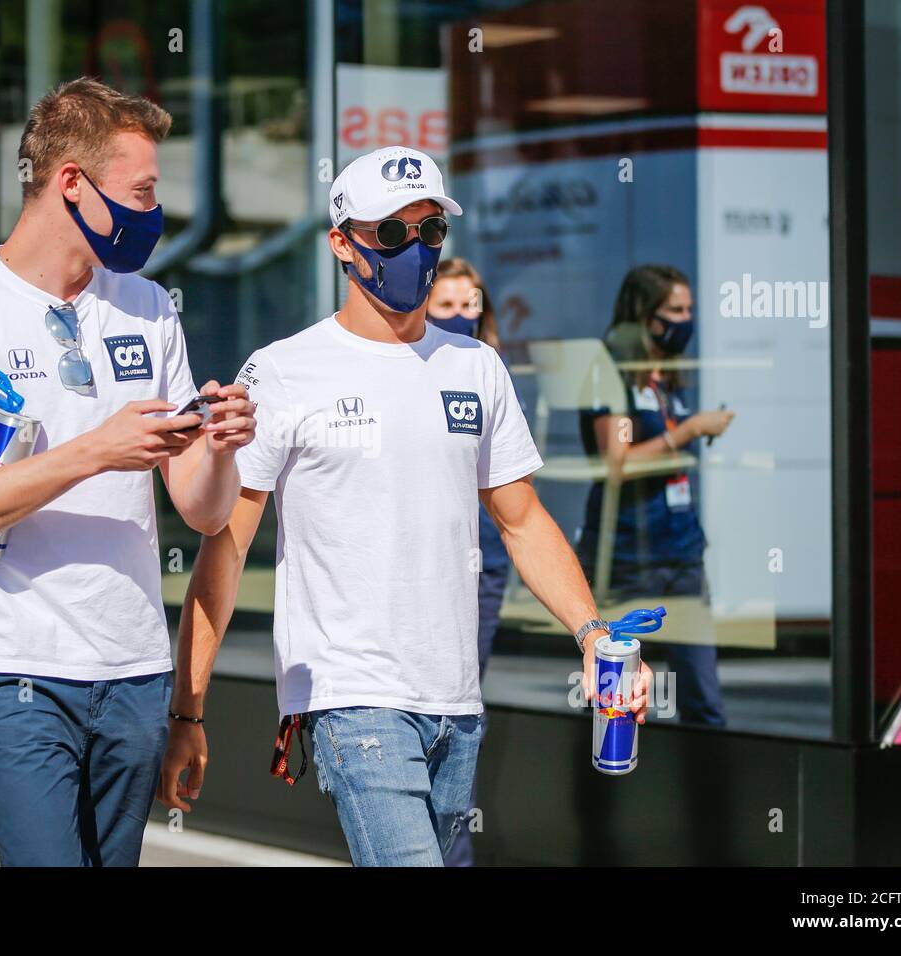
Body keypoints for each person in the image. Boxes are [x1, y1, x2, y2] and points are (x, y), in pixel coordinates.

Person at [157, 146, 652, 866]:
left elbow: (522, 521)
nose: (415, 249)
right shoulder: (284, 371)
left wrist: (592, 633)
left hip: (455, 702)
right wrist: (188, 710)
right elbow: (225, 548)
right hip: (351, 696)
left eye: (431, 231)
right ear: (342, 244)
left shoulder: (476, 367)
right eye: (391, 232)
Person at [0, 77, 256, 866]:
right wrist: (96, 450)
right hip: (15, 666)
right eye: (142, 193)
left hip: (135, 669)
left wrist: (220, 446)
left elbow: (202, 510)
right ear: (73, 183)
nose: (155, 213)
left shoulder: (149, 306)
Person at [576, 264, 733, 727]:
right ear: (646, 314)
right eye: (675, 311)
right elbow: (618, 462)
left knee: (703, 700)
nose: (686, 320)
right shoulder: (612, 368)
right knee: (612, 701)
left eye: (689, 310)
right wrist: (688, 430)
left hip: (681, 550)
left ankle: (706, 775)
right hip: (628, 554)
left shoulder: (666, 370)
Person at [426, 257, 506, 867]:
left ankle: (453, 855)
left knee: (459, 712)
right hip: (420, 567)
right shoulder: (406, 373)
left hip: (481, 569)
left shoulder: (491, 374)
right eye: (447, 306)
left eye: (469, 306)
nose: (460, 317)